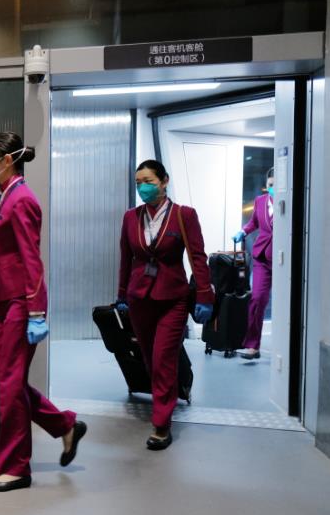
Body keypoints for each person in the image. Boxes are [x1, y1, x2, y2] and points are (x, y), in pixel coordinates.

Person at [0, 132, 85, 492]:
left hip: (21, 301)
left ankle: (16, 468)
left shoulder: (22, 200)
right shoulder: (7, 194)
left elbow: (32, 259)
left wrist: (36, 313)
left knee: (9, 385)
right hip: (3, 297)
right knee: (2, 379)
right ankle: (64, 425)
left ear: (7, 160)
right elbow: (12, 246)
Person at [116, 159, 214, 450]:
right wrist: (122, 295)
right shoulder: (131, 217)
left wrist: (205, 295)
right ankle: (169, 393)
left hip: (173, 298)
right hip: (139, 299)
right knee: (149, 358)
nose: (142, 188)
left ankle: (161, 423)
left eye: (148, 181)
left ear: (164, 180)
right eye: (138, 183)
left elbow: (198, 257)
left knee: (163, 359)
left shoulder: (184, 215)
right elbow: (126, 258)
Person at [232, 169, 274, 360]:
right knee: (257, 299)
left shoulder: (291, 202)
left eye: (277, 185)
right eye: (270, 185)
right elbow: (254, 223)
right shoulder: (260, 201)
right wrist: (243, 231)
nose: (273, 188)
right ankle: (252, 345)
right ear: (266, 185)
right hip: (262, 257)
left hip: (284, 260)